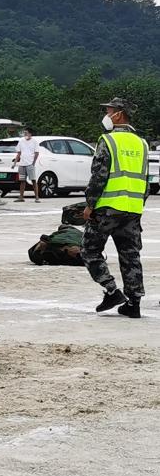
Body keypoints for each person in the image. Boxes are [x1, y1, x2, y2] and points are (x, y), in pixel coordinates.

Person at [84, 97, 147, 319]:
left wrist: (90, 204)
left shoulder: (108, 140)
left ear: (119, 114)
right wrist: (137, 205)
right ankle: (134, 303)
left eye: (109, 111)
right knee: (130, 255)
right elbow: (146, 181)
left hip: (107, 208)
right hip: (133, 209)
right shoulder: (142, 143)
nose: (107, 115)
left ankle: (111, 291)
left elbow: (98, 176)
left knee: (90, 250)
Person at [13, 129, 41, 203]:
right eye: (24, 133)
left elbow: (37, 153)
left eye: (26, 133)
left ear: (30, 134)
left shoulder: (34, 142)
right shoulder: (21, 141)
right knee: (22, 181)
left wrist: (33, 163)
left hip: (30, 164)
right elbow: (19, 153)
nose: (25, 134)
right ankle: (21, 197)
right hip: (22, 164)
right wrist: (15, 163)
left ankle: (37, 197)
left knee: (33, 180)